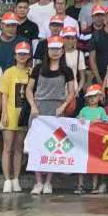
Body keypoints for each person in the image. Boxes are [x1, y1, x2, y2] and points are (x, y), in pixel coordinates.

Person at [25, 37, 77, 196]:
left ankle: (48, 181)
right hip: (39, 110)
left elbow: (71, 92)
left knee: (53, 146)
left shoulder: (67, 70)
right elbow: (29, 89)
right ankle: (38, 181)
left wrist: (63, 106)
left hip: (57, 111)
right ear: (47, 50)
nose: (55, 52)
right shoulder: (38, 68)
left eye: (58, 49)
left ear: (62, 50)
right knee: (36, 146)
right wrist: (33, 106)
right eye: (52, 49)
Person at [0, 41, 33, 193]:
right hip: (10, 113)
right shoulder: (9, 72)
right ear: (15, 56)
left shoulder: (31, 72)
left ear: (29, 55)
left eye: (25, 53)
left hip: (23, 115)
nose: (22, 56)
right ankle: (7, 179)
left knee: (19, 148)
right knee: (7, 147)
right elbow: (4, 95)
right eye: (20, 54)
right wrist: (3, 114)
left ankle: (16, 178)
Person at [75, 84, 108, 194]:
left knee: (95, 163)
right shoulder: (84, 109)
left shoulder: (101, 110)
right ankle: (80, 186)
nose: (92, 98)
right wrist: (80, 119)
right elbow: (77, 120)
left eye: (94, 96)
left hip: (96, 141)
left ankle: (94, 186)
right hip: (84, 141)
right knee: (81, 163)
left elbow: (106, 123)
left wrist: (99, 121)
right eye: (90, 96)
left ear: (99, 97)